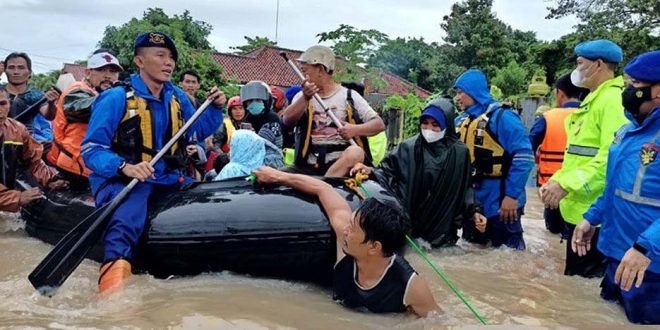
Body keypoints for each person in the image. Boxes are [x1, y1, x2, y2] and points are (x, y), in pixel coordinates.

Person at [81, 31, 226, 296]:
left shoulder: (177, 98)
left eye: (171, 57)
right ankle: (113, 294)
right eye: (160, 55)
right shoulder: (115, 98)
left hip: (167, 178)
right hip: (125, 180)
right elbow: (91, 149)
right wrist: (125, 167)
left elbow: (197, 131)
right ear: (139, 60)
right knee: (127, 218)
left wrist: (216, 108)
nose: (168, 62)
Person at [251, 166, 440, 317]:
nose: (345, 230)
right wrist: (277, 176)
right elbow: (323, 188)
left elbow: (439, 322)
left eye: (353, 228)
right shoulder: (347, 238)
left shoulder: (411, 286)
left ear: (374, 246)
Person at [572, 50, 660, 324]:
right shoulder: (627, 132)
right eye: (628, 84)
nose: (629, 91)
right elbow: (614, 187)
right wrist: (592, 217)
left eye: (636, 85)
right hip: (617, 255)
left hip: (650, 265)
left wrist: (647, 247)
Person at [540, 39, 630, 277]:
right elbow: (576, 156)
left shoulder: (611, 102)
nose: (576, 70)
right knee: (575, 286)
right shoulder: (592, 101)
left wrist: (565, 184)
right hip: (578, 211)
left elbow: (611, 158)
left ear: (598, 64)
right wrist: (556, 182)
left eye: (580, 63)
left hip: (595, 218)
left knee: (585, 282)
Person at [351, 98, 485, 247]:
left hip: (443, 228)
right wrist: (369, 171)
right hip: (411, 221)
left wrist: (475, 211)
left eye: (435, 125)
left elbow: (465, 187)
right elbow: (386, 172)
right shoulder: (408, 147)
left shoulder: (460, 152)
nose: (429, 129)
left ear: (447, 125)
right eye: (425, 123)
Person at [454, 69, 535, 250]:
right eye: (456, 93)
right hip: (474, 204)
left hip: (502, 203)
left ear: (474, 91)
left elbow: (524, 157)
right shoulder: (461, 121)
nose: (457, 98)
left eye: (461, 92)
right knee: (474, 254)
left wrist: (511, 196)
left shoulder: (503, 118)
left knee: (510, 256)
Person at [283, 45, 385, 177]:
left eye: (306, 72)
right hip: (308, 166)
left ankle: (322, 185)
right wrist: (305, 97)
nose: (304, 78)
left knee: (356, 153)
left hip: (341, 166)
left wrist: (354, 129)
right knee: (269, 176)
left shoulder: (349, 96)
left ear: (320, 69)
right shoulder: (302, 96)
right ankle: (319, 185)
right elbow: (287, 120)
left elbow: (379, 125)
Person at [47, 50, 123, 190]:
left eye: (113, 71)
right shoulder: (77, 91)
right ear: (88, 72)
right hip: (74, 167)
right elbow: (83, 107)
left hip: (97, 165)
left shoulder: (107, 95)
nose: (107, 76)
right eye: (101, 70)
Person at [529, 74, 588, 233]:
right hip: (584, 189)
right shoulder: (592, 115)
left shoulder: (548, 117)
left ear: (559, 93)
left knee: (553, 235)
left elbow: (527, 147)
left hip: (552, 188)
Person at [0, 87, 67, 212]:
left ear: (9, 103)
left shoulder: (17, 129)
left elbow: (34, 161)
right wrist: (17, 198)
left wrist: (51, 180)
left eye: (2, 104)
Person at [2, 52, 58, 147]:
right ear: (5, 71)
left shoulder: (35, 95)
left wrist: (51, 103)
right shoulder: (1, 92)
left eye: (21, 68)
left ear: (29, 72)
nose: (16, 72)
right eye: (11, 67)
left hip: (27, 144)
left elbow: (49, 116)